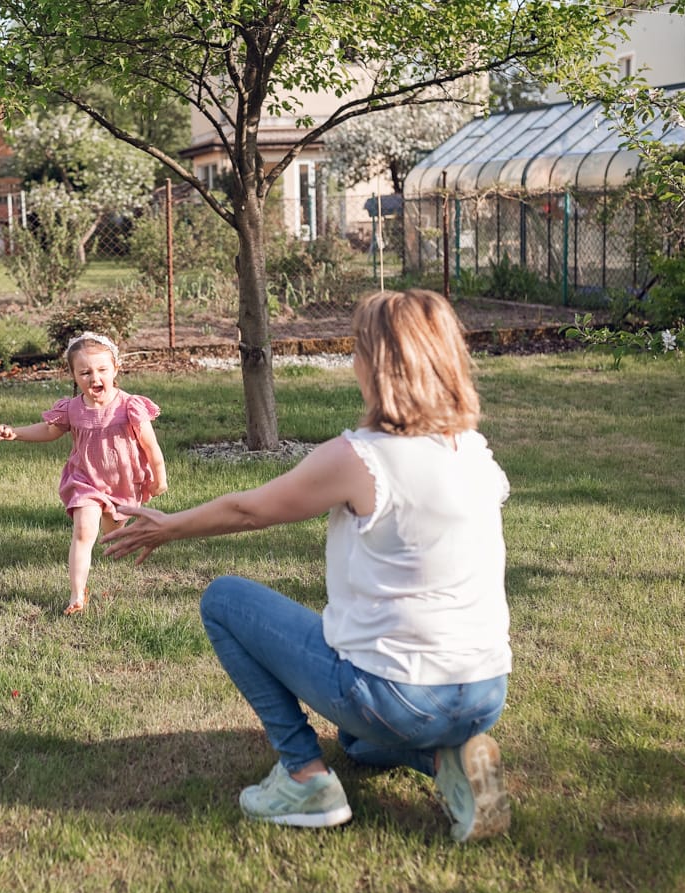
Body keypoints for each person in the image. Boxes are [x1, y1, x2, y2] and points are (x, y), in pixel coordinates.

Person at [102, 289, 512, 842]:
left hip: (398, 695)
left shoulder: (362, 457)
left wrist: (169, 525)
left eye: (359, 350)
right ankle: (451, 762)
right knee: (356, 740)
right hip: (484, 690)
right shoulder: (473, 450)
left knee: (224, 600)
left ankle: (303, 776)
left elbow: (251, 510)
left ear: (377, 364)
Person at [0, 332, 169, 615]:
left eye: (102, 370)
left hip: (123, 482)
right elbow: (50, 430)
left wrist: (159, 479)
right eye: (85, 372)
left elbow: (151, 446)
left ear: (115, 369)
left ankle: (118, 526)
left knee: (114, 531)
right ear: (74, 375)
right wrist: (17, 434)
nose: (94, 378)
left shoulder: (129, 407)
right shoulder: (73, 409)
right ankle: (77, 594)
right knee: (84, 531)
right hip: (85, 480)